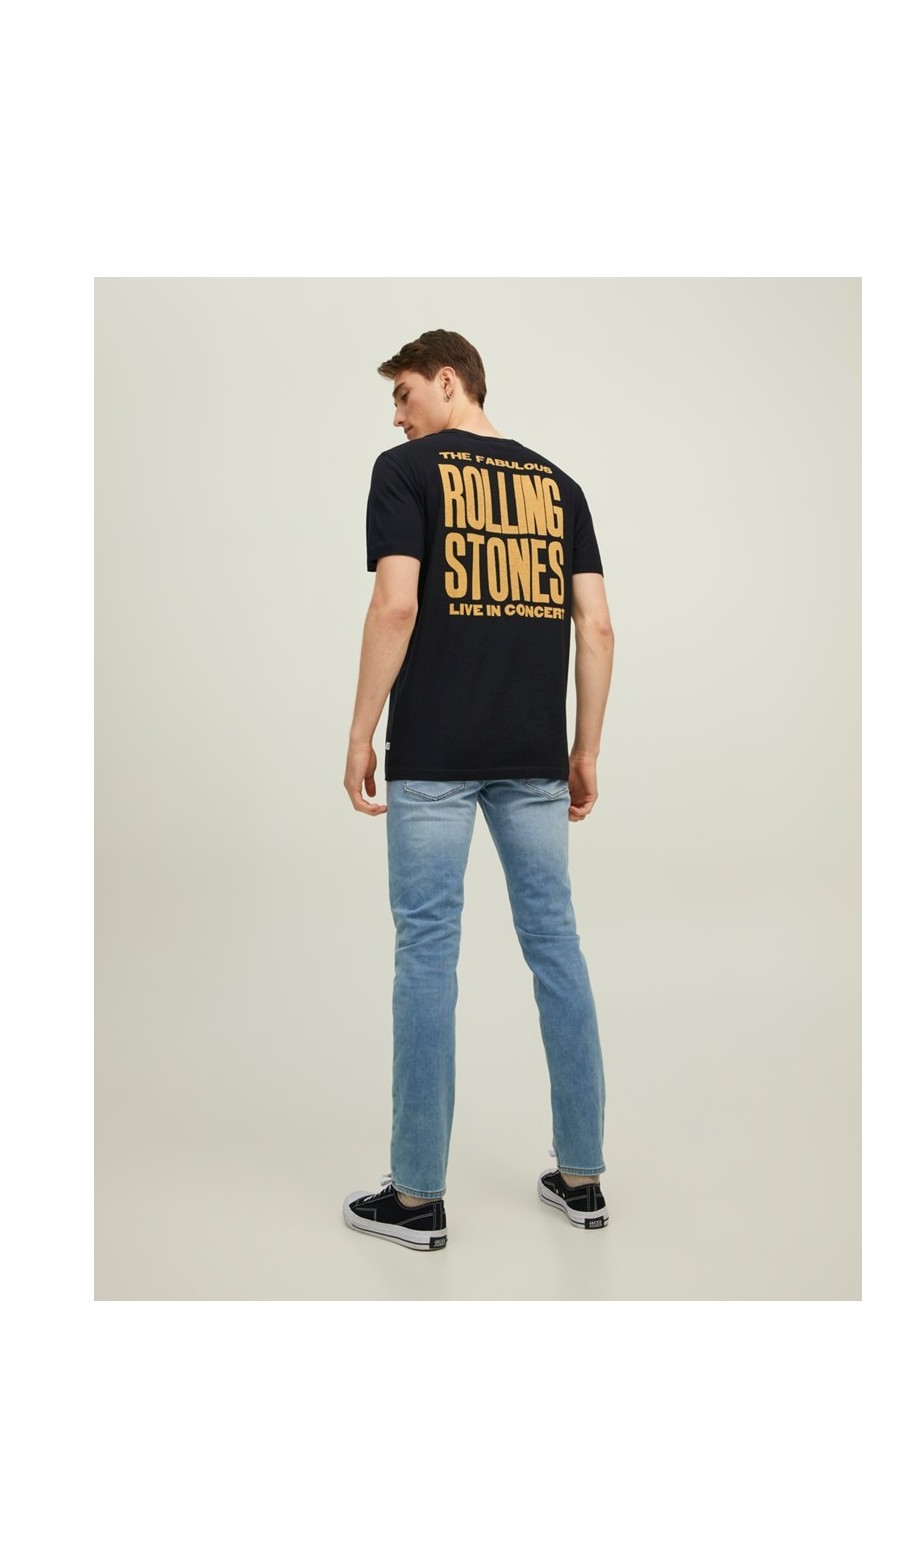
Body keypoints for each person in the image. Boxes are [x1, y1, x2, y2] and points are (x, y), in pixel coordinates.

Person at [341, 329, 615, 1252]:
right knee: (557, 946)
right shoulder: (559, 485)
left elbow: (397, 603)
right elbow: (598, 628)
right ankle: (583, 1178)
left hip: (433, 754)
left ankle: (417, 1198)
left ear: (449, 380)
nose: (397, 415)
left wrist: (360, 729)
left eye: (405, 393)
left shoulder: (405, 473)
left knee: (427, 956)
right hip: (535, 756)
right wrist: (585, 748)